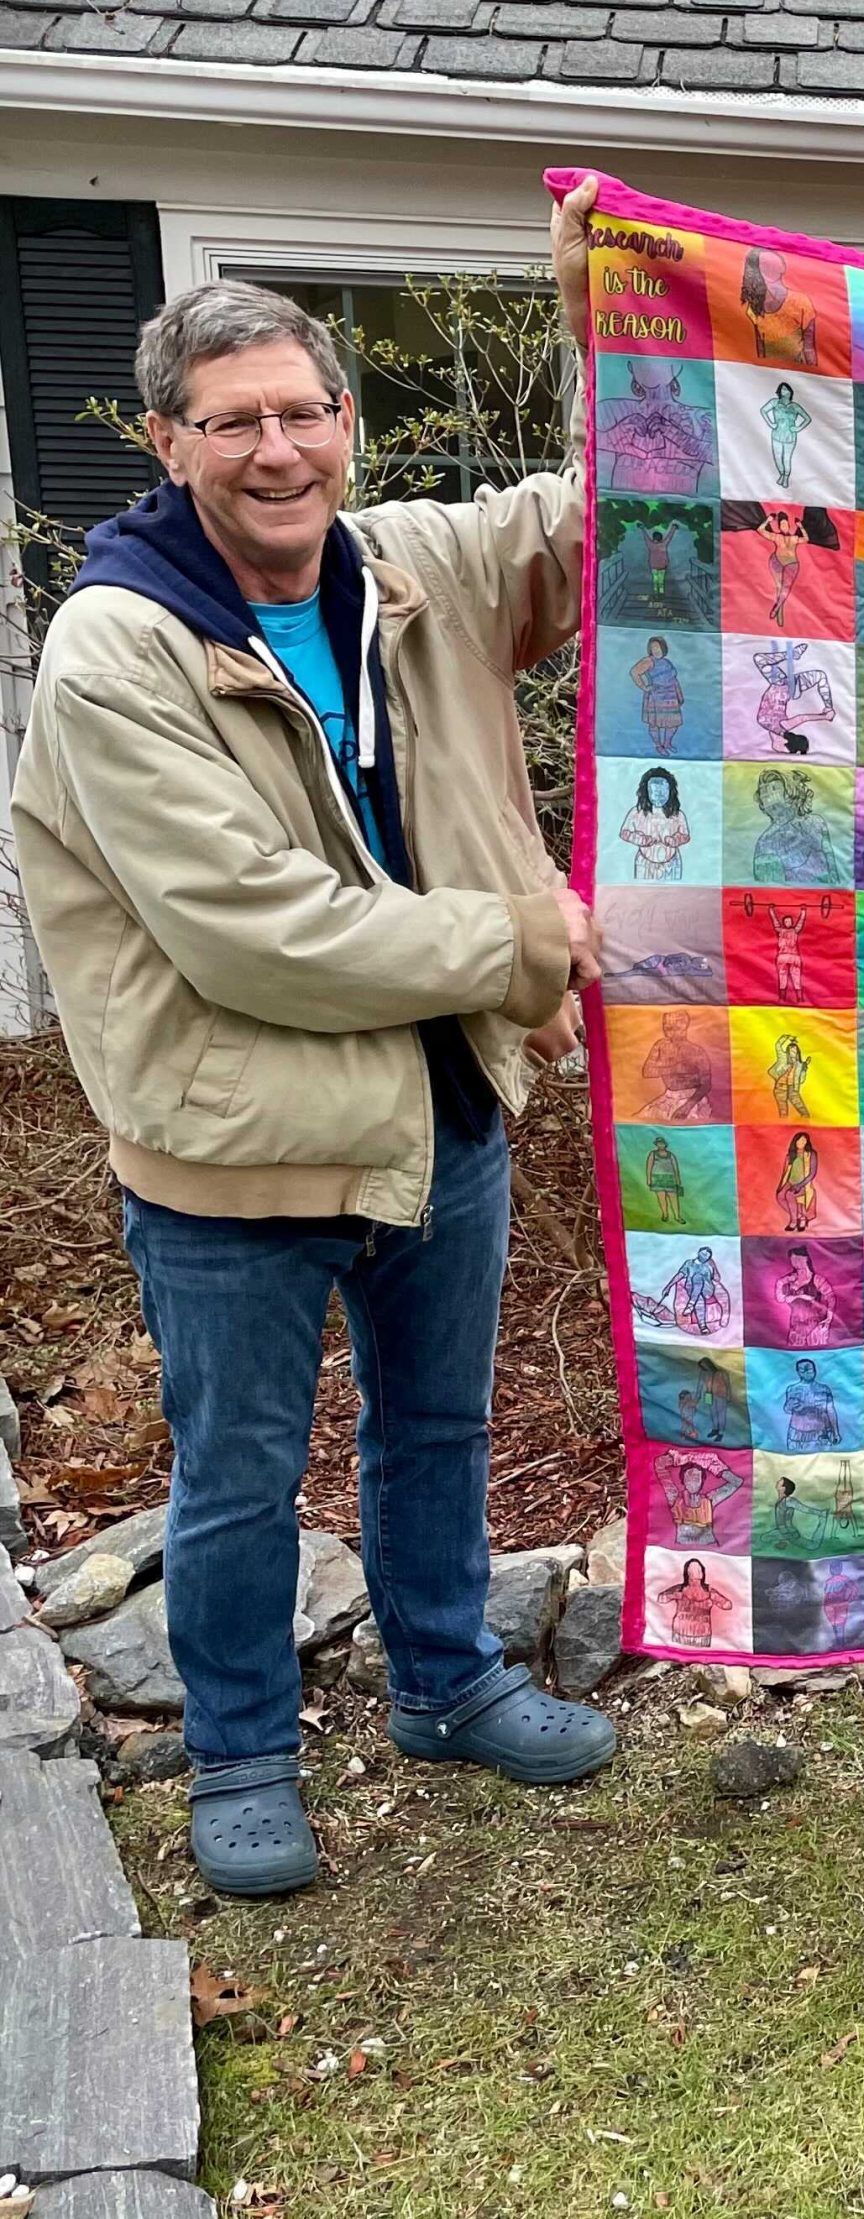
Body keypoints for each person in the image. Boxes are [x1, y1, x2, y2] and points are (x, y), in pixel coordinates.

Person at [11, 181, 618, 1898]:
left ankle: (445, 1680)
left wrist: (608, 308)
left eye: (302, 411)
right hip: (237, 1136)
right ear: (169, 441)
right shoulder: (115, 647)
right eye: (233, 423)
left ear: (347, 423)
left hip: (444, 1107)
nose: (276, 449)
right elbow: (252, 933)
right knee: (240, 1473)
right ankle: (244, 1756)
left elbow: (616, 512)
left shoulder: (410, 568)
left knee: (436, 1432)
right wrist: (523, 940)